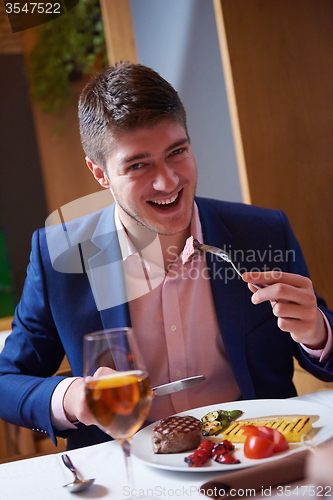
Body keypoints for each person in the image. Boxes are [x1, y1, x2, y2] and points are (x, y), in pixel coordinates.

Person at [0, 62, 332, 451]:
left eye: (177, 152)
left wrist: (317, 334)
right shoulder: (58, 256)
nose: (168, 181)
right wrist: (72, 396)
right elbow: (7, 380)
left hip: (259, 459)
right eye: (138, 164)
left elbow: (323, 355)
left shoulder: (262, 232)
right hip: (129, 473)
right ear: (100, 173)